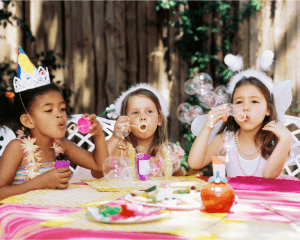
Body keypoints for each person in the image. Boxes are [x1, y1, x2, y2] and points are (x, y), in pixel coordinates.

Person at [0, 47, 109, 201]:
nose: (60, 114)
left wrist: (98, 134)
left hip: (55, 208)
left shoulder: (61, 144)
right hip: (22, 213)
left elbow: (99, 166)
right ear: (27, 120)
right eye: (48, 110)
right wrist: (40, 182)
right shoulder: (17, 148)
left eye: (62, 108)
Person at [188, 50, 294, 179]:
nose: (245, 107)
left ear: (268, 110)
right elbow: (194, 163)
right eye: (239, 102)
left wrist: (286, 140)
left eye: (254, 101)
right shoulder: (225, 139)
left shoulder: (273, 140)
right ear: (231, 108)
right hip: (234, 198)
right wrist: (208, 126)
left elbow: (268, 176)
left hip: (265, 199)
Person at [92, 83, 184, 179]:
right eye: (135, 113)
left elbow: (181, 182)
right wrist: (116, 136)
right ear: (126, 121)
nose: (142, 117)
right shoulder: (121, 150)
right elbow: (97, 173)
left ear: (159, 119)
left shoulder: (168, 154)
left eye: (149, 111)